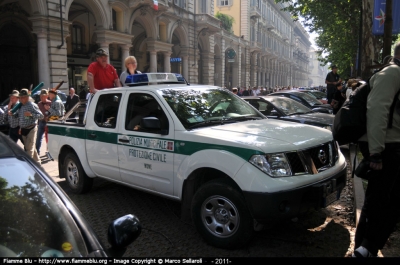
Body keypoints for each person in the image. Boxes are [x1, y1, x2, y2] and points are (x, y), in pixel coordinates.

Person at [353, 42, 400, 258]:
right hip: (387, 146)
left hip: (392, 144)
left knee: (389, 200)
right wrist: (376, 152)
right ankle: (363, 249)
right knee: (378, 200)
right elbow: (377, 111)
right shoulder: (392, 73)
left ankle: (369, 247)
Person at [15, 88, 43, 163]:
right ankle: (38, 164)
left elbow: (41, 116)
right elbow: (20, 117)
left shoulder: (32, 105)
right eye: (20, 97)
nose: (21, 98)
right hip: (23, 130)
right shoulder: (20, 106)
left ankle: (28, 167)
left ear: (27, 97)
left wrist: (31, 114)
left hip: (31, 129)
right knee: (31, 148)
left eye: (23, 97)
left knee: (29, 150)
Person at [36, 89, 51, 156]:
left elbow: (53, 113)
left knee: (48, 138)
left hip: (48, 123)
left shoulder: (50, 103)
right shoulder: (39, 104)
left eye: (43, 96)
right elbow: (36, 113)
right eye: (40, 96)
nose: (41, 98)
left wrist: (49, 117)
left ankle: (49, 152)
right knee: (39, 137)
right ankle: (37, 152)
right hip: (41, 122)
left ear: (47, 96)